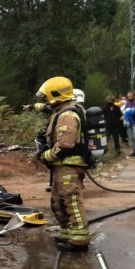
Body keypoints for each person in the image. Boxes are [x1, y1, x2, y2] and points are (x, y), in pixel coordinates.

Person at [34, 76, 92, 252]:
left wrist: (47, 156)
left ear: (55, 95)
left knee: (71, 201)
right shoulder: (61, 111)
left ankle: (79, 241)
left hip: (69, 165)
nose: (45, 100)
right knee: (59, 202)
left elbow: (66, 144)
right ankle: (68, 234)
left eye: (47, 96)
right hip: (62, 166)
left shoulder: (67, 115)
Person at [122, 91, 135, 157]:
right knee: (131, 138)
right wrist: (131, 111)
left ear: (133, 96)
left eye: (130, 96)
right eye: (128, 96)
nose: (129, 97)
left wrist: (129, 111)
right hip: (128, 123)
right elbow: (125, 112)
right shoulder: (127, 104)